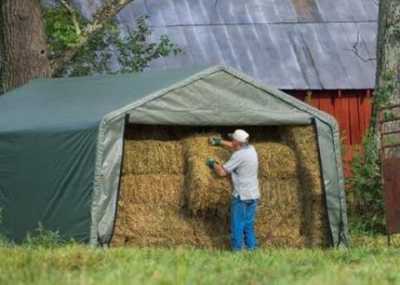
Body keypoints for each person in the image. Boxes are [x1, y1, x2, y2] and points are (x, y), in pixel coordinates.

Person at [206, 129, 260, 251]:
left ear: (237, 142)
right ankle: (252, 249)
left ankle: (237, 251)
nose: (231, 141)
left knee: (237, 224)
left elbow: (221, 172)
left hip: (242, 196)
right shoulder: (251, 149)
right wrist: (220, 142)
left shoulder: (238, 156)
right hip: (254, 195)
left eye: (232, 139)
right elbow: (235, 146)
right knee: (248, 224)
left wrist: (212, 163)